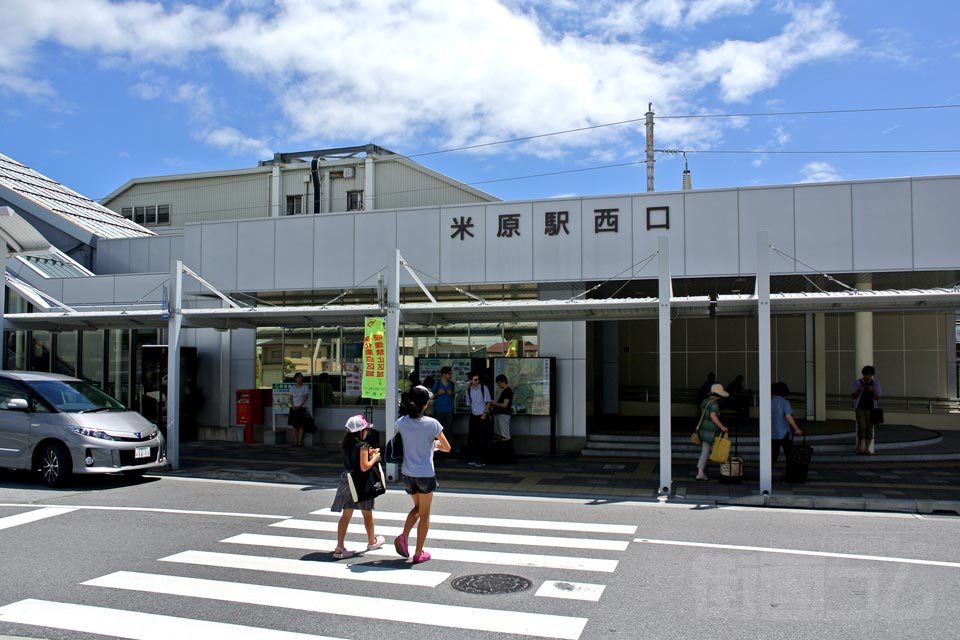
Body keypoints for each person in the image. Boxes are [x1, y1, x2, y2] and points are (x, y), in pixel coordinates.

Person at [393, 386, 451, 564]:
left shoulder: (401, 422)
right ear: (426, 404)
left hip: (407, 473)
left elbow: (398, 443)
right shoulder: (432, 424)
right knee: (425, 514)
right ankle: (418, 552)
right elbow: (447, 447)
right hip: (425, 473)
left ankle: (404, 536)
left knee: (417, 508)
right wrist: (434, 445)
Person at [330, 415, 385, 559]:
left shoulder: (345, 444)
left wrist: (368, 454)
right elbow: (364, 466)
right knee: (367, 513)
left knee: (346, 515)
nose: (367, 431)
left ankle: (340, 546)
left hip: (347, 480)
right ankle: (372, 541)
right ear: (361, 431)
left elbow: (354, 460)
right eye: (366, 429)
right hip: (361, 483)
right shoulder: (363, 445)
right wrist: (374, 457)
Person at [695, 383, 730, 481]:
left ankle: (700, 472)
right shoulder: (714, 404)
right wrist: (722, 427)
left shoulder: (705, 401)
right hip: (711, 431)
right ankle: (726, 471)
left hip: (703, 430)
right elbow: (712, 416)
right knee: (720, 450)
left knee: (705, 451)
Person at [851, 365, 882, 455]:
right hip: (860, 408)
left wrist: (873, 390)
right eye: (866, 375)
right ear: (863, 374)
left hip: (871, 409)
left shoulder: (876, 384)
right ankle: (859, 445)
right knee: (862, 426)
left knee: (869, 428)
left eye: (870, 375)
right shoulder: (858, 383)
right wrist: (860, 389)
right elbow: (854, 396)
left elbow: (877, 397)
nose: (868, 377)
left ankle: (867, 449)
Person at [771, 382, 803, 466]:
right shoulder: (785, 402)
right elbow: (788, 416)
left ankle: (767, 471)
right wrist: (797, 429)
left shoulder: (769, 402)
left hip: (772, 432)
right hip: (784, 432)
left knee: (774, 454)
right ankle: (790, 472)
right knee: (789, 454)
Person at [465, 371, 492, 467]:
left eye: (478, 379)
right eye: (475, 380)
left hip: (482, 415)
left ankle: (482, 459)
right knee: (474, 438)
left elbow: (488, 402)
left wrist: (485, 413)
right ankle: (475, 458)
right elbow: (469, 403)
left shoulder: (483, 388)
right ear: (471, 381)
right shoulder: (469, 390)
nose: (477, 381)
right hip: (474, 416)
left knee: (483, 439)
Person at [488, 374, 513, 441]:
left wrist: (494, 403)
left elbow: (504, 405)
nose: (498, 385)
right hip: (502, 415)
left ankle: (507, 446)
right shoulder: (505, 391)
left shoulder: (507, 391)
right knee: (502, 434)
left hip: (504, 415)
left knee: (504, 434)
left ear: (503, 381)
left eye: (499, 383)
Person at [431, 366, 456, 433]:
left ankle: (448, 440)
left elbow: (454, 396)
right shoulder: (437, 384)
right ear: (443, 374)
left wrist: (451, 393)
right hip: (439, 410)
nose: (450, 375)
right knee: (438, 430)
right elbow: (431, 396)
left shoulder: (451, 384)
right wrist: (438, 393)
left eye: (451, 373)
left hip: (449, 410)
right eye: (449, 373)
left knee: (449, 430)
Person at [288, 372, 310, 447]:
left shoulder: (305, 387)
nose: (300, 378)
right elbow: (291, 397)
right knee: (294, 426)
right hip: (293, 408)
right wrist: (293, 405)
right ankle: (295, 442)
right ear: (295, 378)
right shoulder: (292, 387)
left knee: (301, 425)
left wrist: (299, 406)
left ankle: (300, 442)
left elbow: (305, 397)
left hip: (301, 408)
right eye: (298, 377)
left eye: (301, 377)